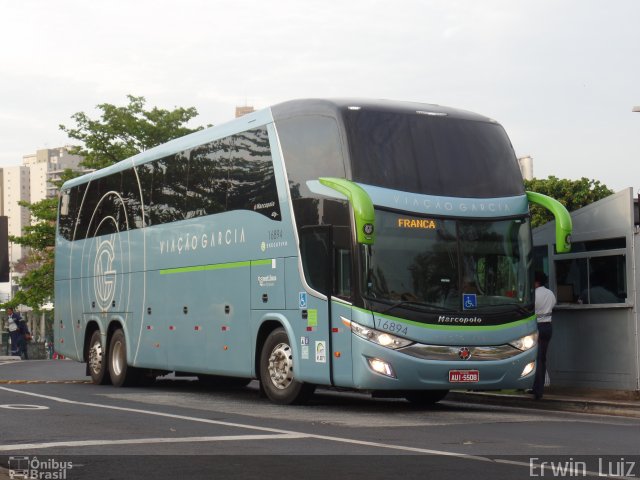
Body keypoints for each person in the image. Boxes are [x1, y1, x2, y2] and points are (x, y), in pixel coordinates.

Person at [532, 271, 556, 400]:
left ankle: (538, 390)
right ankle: (537, 387)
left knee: (536, 358)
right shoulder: (550, 293)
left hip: (537, 328)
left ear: (536, 281)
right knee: (542, 357)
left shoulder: (534, 295)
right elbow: (553, 305)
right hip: (548, 327)